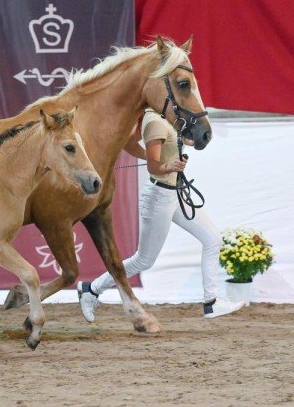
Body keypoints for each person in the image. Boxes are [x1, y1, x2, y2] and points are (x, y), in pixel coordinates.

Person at [77, 108, 245, 320]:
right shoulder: (154, 121)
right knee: (143, 261)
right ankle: (91, 288)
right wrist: (168, 165)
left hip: (175, 194)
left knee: (212, 239)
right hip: (160, 197)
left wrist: (185, 141)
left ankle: (211, 302)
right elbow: (154, 167)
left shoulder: (166, 117)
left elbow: (131, 142)